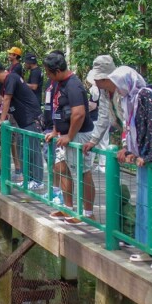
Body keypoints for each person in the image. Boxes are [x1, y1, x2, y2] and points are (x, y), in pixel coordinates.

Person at [99, 66, 152, 269]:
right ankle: (148, 248)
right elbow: (132, 129)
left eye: (118, 84)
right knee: (144, 202)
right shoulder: (128, 98)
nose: (116, 88)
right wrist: (129, 150)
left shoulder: (146, 96)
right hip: (144, 155)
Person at [43, 52, 96, 224]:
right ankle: (67, 208)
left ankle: (87, 214)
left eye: (49, 73)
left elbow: (79, 114)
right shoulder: (59, 83)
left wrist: (70, 136)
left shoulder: (73, 85)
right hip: (63, 134)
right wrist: (55, 130)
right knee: (61, 168)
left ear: (57, 71)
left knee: (82, 171)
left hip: (79, 134)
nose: (48, 76)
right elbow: (59, 109)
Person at [0, 61, 44, 191]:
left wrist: (1, 120)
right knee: (23, 150)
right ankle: (28, 178)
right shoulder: (5, 82)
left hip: (30, 118)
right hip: (22, 121)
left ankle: (38, 180)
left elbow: (7, 99)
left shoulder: (11, 78)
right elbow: (1, 100)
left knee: (33, 150)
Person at [82, 55, 118, 174]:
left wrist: (128, 146)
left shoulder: (125, 88)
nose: (95, 82)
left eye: (96, 79)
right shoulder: (104, 91)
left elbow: (130, 119)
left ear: (105, 79)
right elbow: (103, 115)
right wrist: (93, 140)